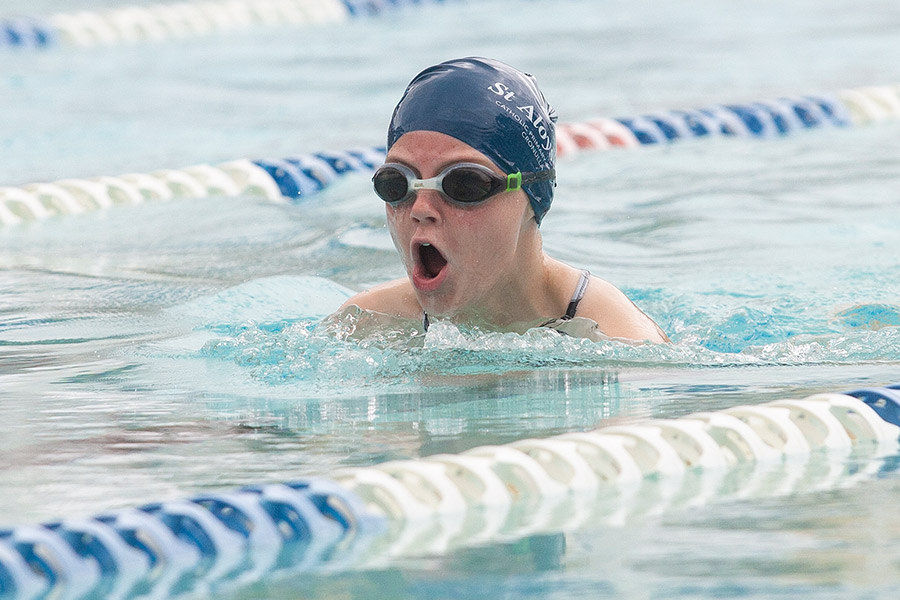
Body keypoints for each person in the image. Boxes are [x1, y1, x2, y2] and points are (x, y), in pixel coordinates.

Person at [332, 57, 668, 344]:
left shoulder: (618, 339)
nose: (421, 209)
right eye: (396, 184)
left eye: (463, 184)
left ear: (532, 194)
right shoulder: (364, 325)